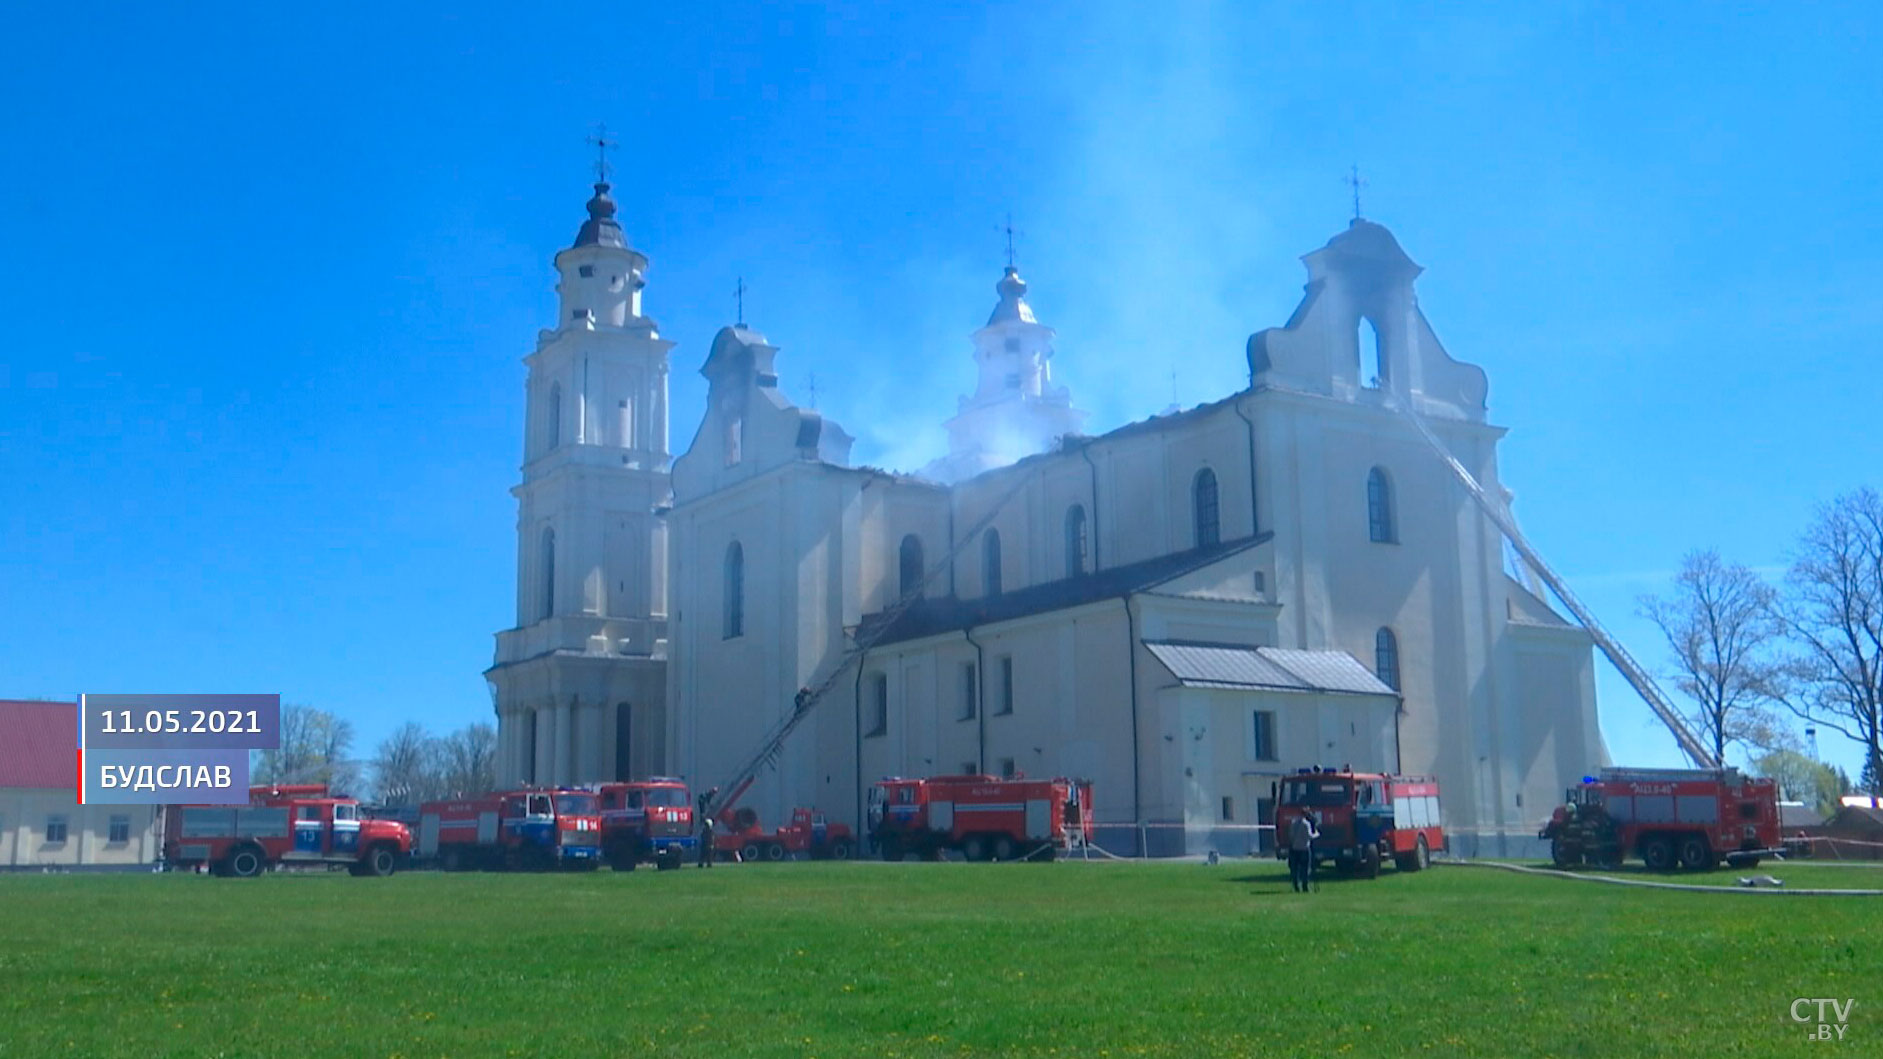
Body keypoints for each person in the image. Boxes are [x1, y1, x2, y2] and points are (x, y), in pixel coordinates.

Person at [1288, 809, 1319, 893]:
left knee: (1295, 869)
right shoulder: (1306, 824)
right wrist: (1316, 833)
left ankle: (1296, 885)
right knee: (1305, 869)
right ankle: (1305, 886)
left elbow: (1290, 836)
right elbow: (1309, 836)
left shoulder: (1293, 823)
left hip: (1294, 849)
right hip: (1304, 849)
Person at [697, 787, 719, 868]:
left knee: (704, 853)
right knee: (707, 853)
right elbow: (707, 801)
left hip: (705, 845)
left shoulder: (706, 832)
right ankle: (706, 864)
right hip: (707, 845)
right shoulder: (709, 832)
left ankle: (703, 864)